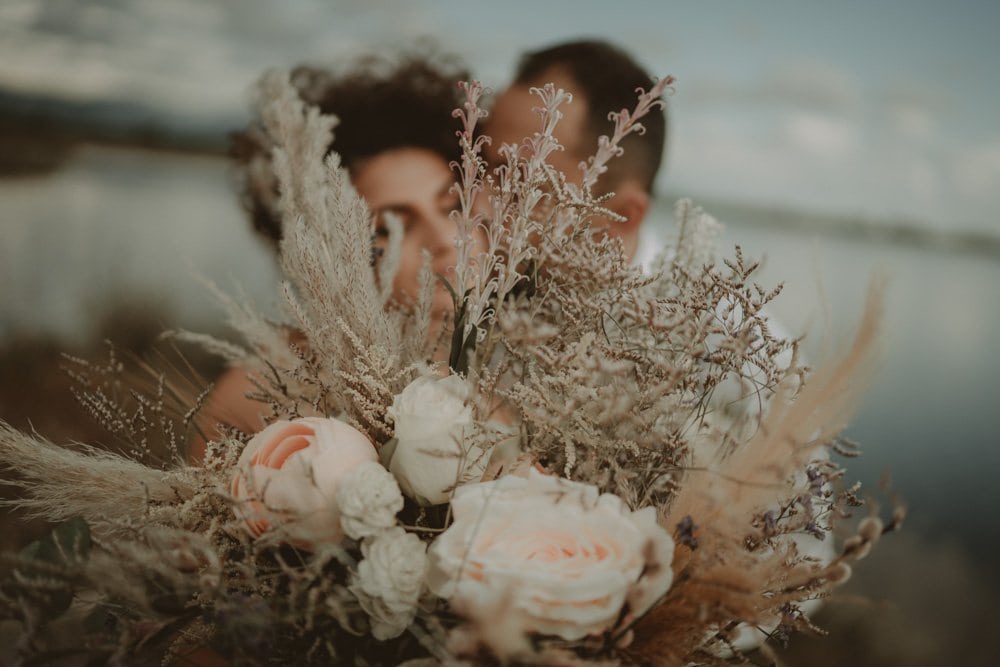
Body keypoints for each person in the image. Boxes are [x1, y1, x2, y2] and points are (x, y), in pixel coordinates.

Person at [192, 53, 471, 460]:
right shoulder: (259, 395)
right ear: (327, 251)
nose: (446, 237)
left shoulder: (521, 372)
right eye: (390, 227)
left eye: (452, 204)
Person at [483, 39, 667, 263]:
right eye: (478, 168)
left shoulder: (686, 297)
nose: (476, 205)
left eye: (520, 189)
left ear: (623, 216)